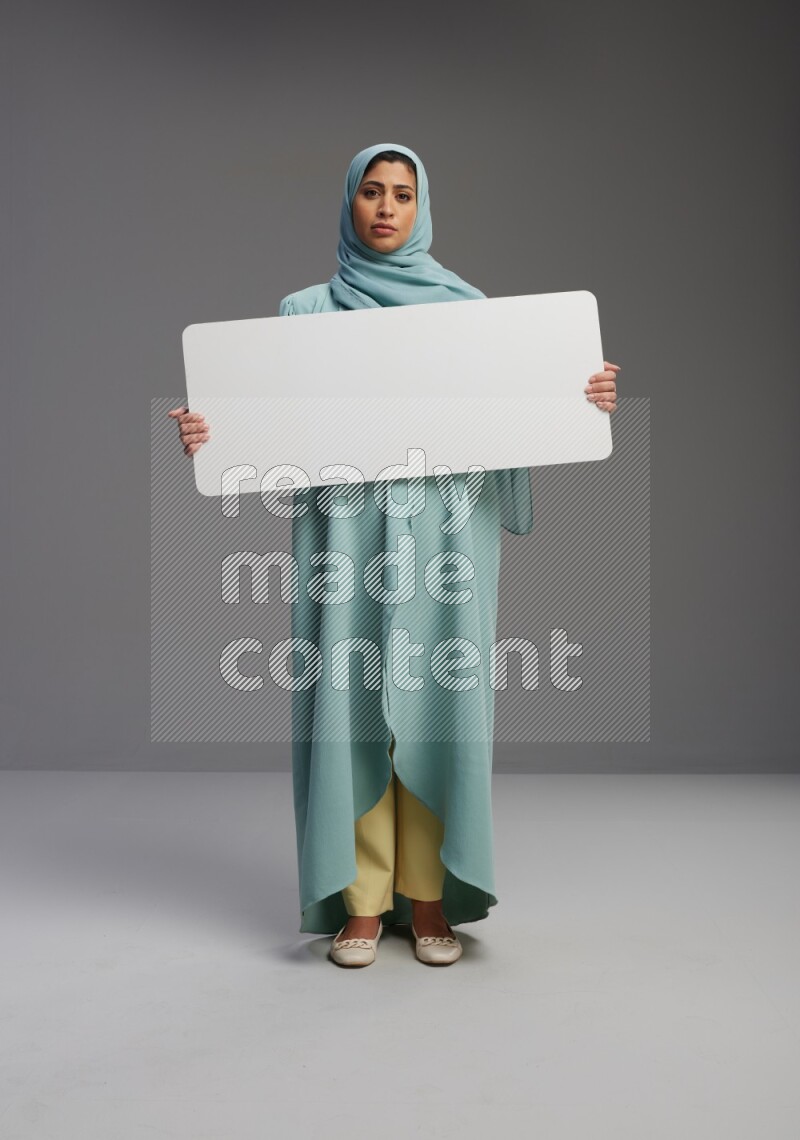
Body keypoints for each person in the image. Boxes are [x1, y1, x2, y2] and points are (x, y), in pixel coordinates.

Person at [168, 142, 619, 968]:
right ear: (349, 203)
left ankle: (428, 897)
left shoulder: (471, 310)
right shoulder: (306, 314)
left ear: (422, 208)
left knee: (436, 707)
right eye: (371, 192)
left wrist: (577, 398)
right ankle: (364, 902)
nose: (385, 207)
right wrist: (212, 433)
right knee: (348, 710)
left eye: (402, 194)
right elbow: (269, 433)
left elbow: (512, 422)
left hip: (448, 530)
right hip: (343, 536)